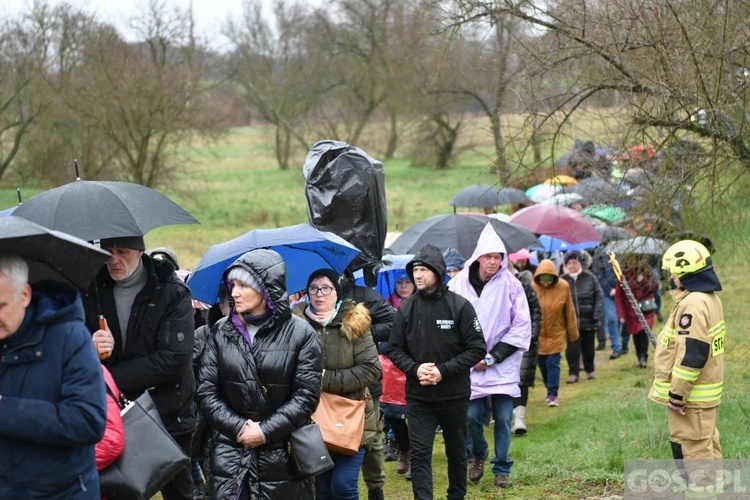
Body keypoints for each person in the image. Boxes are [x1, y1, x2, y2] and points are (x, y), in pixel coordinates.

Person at [196, 249, 322, 499]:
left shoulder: (302, 334)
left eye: (243, 285)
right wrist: (239, 428)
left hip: (281, 455)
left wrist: (265, 431)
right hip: (230, 454)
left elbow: (305, 397)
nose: (234, 293)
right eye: (232, 285)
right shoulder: (220, 331)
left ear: (265, 288)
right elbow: (206, 391)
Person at [83, 235, 196, 500]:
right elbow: (74, 346)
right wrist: (92, 348)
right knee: (119, 490)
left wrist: (109, 377)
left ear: (139, 251)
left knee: (179, 492)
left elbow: (173, 359)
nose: (113, 259)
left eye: (121, 251)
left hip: (169, 414)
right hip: (114, 416)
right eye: (107, 251)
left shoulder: (172, 291)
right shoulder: (92, 287)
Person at [0, 253, 107, 498]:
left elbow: (87, 421)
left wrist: (5, 409)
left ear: (25, 295)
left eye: (1, 306)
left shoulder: (71, 338)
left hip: (62, 491)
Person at [387, 244, 486, 500]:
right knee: (420, 454)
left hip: (454, 395)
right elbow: (395, 350)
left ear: (438, 272)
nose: (417, 275)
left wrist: (443, 371)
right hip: (419, 398)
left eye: (423, 270)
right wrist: (415, 368)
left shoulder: (460, 306)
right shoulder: (406, 309)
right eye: (415, 270)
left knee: (456, 454)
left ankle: (456, 495)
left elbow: (477, 348)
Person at [448, 223, 531, 488]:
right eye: (489, 257)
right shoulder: (457, 284)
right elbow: (448, 322)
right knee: (471, 416)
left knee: (504, 418)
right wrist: (468, 357)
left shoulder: (511, 285)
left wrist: (493, 357)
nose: (494, 262)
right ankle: (478, 454)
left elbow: (521, 326)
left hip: (501, 363)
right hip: (469, 364)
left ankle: (502, 468)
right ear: (479, 257)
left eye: (498, 257)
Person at [294, 268, 382, 500]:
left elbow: (371, 369)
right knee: (321, 489)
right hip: (312, 419)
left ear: (337, 292)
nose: (319, 294)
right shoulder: (295, 326)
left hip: (350, 416)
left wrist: (323, 378)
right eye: (313, 288)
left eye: (326, 288)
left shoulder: (355, 323)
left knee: (343, 487)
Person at [648, 240, 724, 497]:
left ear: (686, 272)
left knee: (692, 452)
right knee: (707, 447)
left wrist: (677, 395)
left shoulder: (692, 304)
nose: (671, 276)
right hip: (704, 397)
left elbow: (693, 354)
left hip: (690, 398)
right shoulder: (709, 298)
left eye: (674, 271)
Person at [340, 270, 395, 500]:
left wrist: (363, 332)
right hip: (328, 385)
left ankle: (375, 488)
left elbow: (393, 323)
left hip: (365, 383)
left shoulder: (366, 295)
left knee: (370, 437)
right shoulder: (312, 303)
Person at [532, 259, 579, 407]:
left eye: (549, 280)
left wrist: (573, 334)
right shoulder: (532, 287)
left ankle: (553, 394)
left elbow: (569, 311)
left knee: (553, 364)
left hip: (556, 333)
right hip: (537, 335)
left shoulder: (563, 287)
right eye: (543, 280)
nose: (545, 283)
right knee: (542, 365)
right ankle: (549, 388)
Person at [508, 262, 541, 435]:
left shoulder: (524, 286)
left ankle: (519, 418)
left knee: (522, 378)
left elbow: (536, 311)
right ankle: (505, 417)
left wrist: (532, 335)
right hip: (501, 341)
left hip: (524, 339)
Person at [560, 251, 603, 382]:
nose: (572, 265)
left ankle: (590, 370)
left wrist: (596, 314)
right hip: (570, 321)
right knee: (572, 349)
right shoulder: (562, 280)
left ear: (580, 263)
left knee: (588, 347)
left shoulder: (590, 277)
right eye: (569, 263)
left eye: (575, 262)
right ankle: (573, 373)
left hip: (588, 318)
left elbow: (599, 295)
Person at [613, 254, 659, 369]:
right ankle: (640, 356)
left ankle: (644, 357)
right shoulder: (623, 275)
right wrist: (621, 314)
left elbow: (654, 287)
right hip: (631, 311)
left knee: (643, 331)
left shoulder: (646, 271)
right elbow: (619, 296)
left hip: (645, 309)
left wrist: (642, 280)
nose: (630, 262)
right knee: (636, 335)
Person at [592, 244, 623, 359]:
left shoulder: (621, 249)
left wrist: (620, 289)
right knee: (611, 319)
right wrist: (609, 290)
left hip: (622, 290)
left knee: (622, 318)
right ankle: (616, 347)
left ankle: (623, 342)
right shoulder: (599, 252)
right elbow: (598, 273)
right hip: (607, 292)